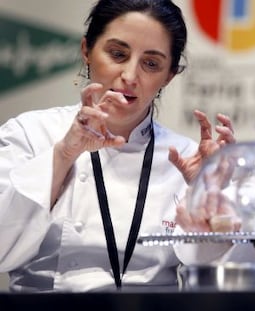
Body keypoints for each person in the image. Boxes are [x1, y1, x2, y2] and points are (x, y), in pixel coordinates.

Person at [0, 0, 234, 292]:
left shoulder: (188, 159)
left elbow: (213, 277)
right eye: (117, 54)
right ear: (86, 51)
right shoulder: (30, 134)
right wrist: (63, 155)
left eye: (151, 63)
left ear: (169, 75)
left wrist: (209, 199)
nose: (130, 77)